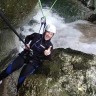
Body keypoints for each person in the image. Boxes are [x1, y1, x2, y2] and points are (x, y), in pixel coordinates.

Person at [0, 24, 56, 92]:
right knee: (9, 70)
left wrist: (47, 54)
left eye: (51, 34)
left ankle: (18, 92)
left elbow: (48, 59)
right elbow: (28, 38)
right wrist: (27, 44)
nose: (49, 35)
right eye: (48, 32)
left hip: (34, 62)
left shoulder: (49, 46)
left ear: (52, 36)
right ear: (45, 31)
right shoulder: (36, 36)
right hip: (25, 55)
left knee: (21, 79)